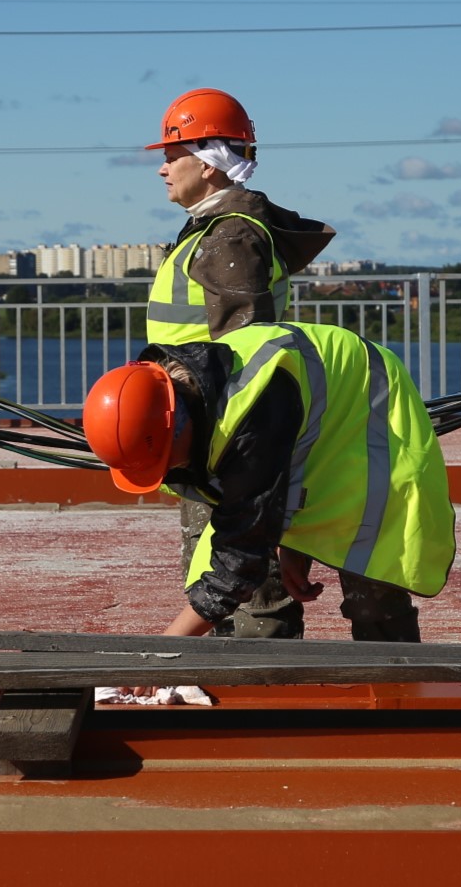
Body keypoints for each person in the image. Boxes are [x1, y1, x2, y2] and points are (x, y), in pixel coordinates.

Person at [82, 321, 456, 643]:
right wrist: (292, 541)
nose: (169, 471)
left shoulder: (247, 419)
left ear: (178, 424)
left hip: (373, 411)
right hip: (316, 421)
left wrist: (161, 651)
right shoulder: (194, 394)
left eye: (167, 460)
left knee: (375, 570)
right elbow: (278, 471)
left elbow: (240, 555)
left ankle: (396, 681)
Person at [143, 87, 336, 638]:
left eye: (171, 155)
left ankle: (260, 680)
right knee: (224, 571)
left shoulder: (230, 236)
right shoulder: (216, 228)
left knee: (244, 576)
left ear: (207, 163)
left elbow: (246, 357)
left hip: (222, 432)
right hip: (205, 423)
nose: (162, 169)